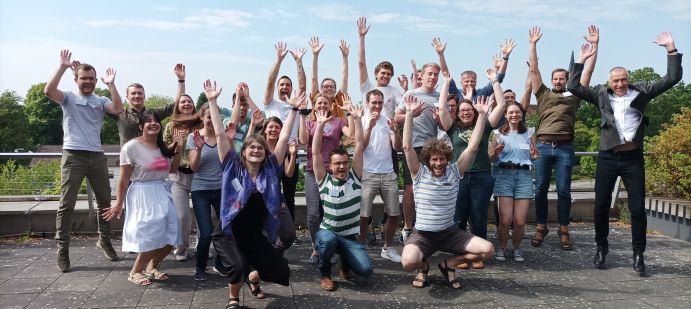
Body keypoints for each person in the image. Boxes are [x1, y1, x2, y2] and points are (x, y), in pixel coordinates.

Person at [567, 31, 683, 273]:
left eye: (623, 79)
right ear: (609, 82)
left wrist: (671, 48)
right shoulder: (600, 94)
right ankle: (601, 247)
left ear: (628, 79)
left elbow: (672, 77)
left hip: (633, 160)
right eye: (615, 81)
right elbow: (573, 86)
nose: (619, 84)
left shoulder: (642, 90)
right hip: (608, 158)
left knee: (638, 208)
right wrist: (582, 60)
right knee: (600, 207)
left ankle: (639, 253)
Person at [203, 80, 296, 308]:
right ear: (243, 151)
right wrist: (213, 102)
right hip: (228, 231)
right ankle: (233, 299)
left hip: (253, 234)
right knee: (238, 266)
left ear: (265, 154)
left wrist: (294, 110)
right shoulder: (232, 166)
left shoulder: (270, 170)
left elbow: (283, 139)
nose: (256, 150)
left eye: (260, 148)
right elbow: (221, 134)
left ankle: (253, 278)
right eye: (251, 147)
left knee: (281, 269)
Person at [400, 94, 493, 289]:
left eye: (442, 159)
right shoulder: (419, 173)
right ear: (427, 160)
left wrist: (482, 116)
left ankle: (448, 265)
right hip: (423, 235)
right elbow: (407, 147)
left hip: (450, 233)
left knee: (487, 250)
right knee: (408, 262)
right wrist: (409, 114)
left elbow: (473, 147)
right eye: (434, 159)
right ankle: (423, 266)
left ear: (447, 159)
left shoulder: (454, 171)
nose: (438, 163)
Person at [43, 49, 125, 272]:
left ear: (96, 80)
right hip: (73, 155)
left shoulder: (100, 100)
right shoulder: (69, 97)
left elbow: (118, 109)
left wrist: (111, 84)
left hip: (97, 156)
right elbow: (49, 91)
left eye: (91, 78)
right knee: (66, 204)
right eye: (84, 78)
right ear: (76, 79)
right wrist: (62, 66)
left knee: (105, 203)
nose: (88, 82)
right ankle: (63, 248)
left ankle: (104, 240)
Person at [528, 25, 599, 250]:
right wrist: (533, 44)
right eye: (555, 78)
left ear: (567, 80)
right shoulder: (543, 94)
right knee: (539, 189)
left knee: (563, 190)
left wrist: (594, 47)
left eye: (562, 79)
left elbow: (587, 73)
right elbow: (533, 71)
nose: (558, 81)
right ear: (552, 80)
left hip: (564, 148)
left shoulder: (574, 95)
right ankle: (541, 226)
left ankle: (564, 228)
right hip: (542, 146)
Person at [436, 69, 507, 269]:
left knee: (478, 217)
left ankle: (477, 255)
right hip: (457, 177)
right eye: (462, 110)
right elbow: (442, 110)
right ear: (457, 113)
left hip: (481, 177)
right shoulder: (452, 128)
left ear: (474, 111)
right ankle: (460, 255)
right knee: (458, 218)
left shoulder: (483, 125)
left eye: (469, 109)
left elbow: (501, 105)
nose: (466, 112)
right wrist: (445, 83)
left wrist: (495, 81)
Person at [103, 110, 183, 286]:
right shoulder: (131, 147)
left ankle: (152, 267)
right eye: (148, 121)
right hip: (142, 193)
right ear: (141, 126)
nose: (153, 124)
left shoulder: (162, 147)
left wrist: (179, 147)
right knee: (151, 235)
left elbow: (172, 169)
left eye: (156, 121)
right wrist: (119, 202)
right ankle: (135, 271)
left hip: (162, 191)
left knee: (173, 234)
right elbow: (124, 177)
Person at [312, 105, 371, 291]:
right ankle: (325, 273)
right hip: (328, 233)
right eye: (337, 163)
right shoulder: (324, 180)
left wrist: (358, 119)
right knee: (327, 241)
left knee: (366, 270)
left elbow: (360, 146)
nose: (342, 167)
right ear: (330, 166)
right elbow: (315, 153)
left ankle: (346, 263)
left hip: (349, 236)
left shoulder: (355, 177)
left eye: (345, 163)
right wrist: (320, 125)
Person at [299, 92, 353, 263]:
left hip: (333, 173)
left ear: (331, 106)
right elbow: (302, 139)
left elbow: (351, 134)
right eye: (319, 103)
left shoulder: (337, 122)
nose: (322, 106)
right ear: (314, 106)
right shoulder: (309, 123)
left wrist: (350, 113)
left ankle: (333, 246)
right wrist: (302, 115)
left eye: (325, 103)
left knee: (334, 213)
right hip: (312, 171)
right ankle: (317, 247)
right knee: (313, 214)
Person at [393, 62, 441, 243]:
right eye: (430, 73)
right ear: (422, 75)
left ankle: (428, 226)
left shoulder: (439, 96)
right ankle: (407, 226)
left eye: (436, 74)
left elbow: (444, 124)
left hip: (432, 148)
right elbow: (396, 118)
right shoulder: (411, 94)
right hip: (412, 147)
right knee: (411, 188)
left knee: (431, 188)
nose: (433, 77)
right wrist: (412, 114)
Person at [263, 41, 307, 224]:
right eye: (282, 84)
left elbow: (303, 87)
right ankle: (266, 225)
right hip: (270, 153)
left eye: (287, 85)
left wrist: (298, 62)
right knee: (266, 191)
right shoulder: (269, 103)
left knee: (289, 194)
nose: (284, 87)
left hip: (290, 153)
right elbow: (270, 80)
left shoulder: (295, 104)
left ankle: (287, 229)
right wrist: (279, 59)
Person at [488, 103, 539, 262]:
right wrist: (495, 153)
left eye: (517, 112)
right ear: (505, 114)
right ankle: (502, 249)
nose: (514, 115)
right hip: (504, 174)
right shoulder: (497, 134)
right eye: (511, 112)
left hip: (524, 175)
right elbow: (490, 157)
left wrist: (534, 156)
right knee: (505, 220)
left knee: (520, 221)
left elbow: (534, 155)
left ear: (522, 114)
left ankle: (516, 249)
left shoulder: (530, 133)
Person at [358, 89, 403, 263]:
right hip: (368, 173)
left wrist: (396, 131)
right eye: (373, 102)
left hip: (388, 172)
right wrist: (369, 126)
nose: (377, 106)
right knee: (363, 215)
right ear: (367, 103)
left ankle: (388, 247)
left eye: (379, 102)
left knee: (393, 213)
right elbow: (362, 146)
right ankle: (360, 248)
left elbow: (397, 147)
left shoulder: (388, 121)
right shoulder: (361, 120)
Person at [163, 64, 201, 262]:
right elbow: (164, 150)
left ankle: (202, 246)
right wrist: (176, 143)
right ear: (178, 106)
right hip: (177, 175)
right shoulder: (171, 125)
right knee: (182, 217)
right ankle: (182, 247)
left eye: (189, 102)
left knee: (204, 216)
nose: (186, 104)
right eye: (183, 102)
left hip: (199, 174)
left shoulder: (200, 124)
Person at [187, 103, 227, 281]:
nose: (211, 120)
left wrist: (230, 141)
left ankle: (220, 263)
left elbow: (229, 163)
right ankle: (200, 266)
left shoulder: (223, 136)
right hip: (201, 190)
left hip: (221, 190)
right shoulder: (193, 137)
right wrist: (199, 147)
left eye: (215, 116)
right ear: (202, 117)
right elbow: (193, 168)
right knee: (206, 232)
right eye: (209, 116)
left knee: (225, 230)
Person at [108, 64, 181, 145]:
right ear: (127, 97)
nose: (137, 96)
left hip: (151, 155)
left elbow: (178, 104)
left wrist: (181, 80)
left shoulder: (154, 113)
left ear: (144, 96)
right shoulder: (120, 113)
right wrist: (111, 85)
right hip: (129, 156)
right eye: (133, 93)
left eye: (139, 93)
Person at [434, 37, 514, 101]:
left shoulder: (482, 93)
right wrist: (441, 54)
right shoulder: (455, 93)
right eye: (466, 81)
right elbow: (445, 74)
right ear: (461, 83)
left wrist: (505, 57)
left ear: (476, 82)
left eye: (472, 81)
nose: (469, 83)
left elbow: (498, 79)